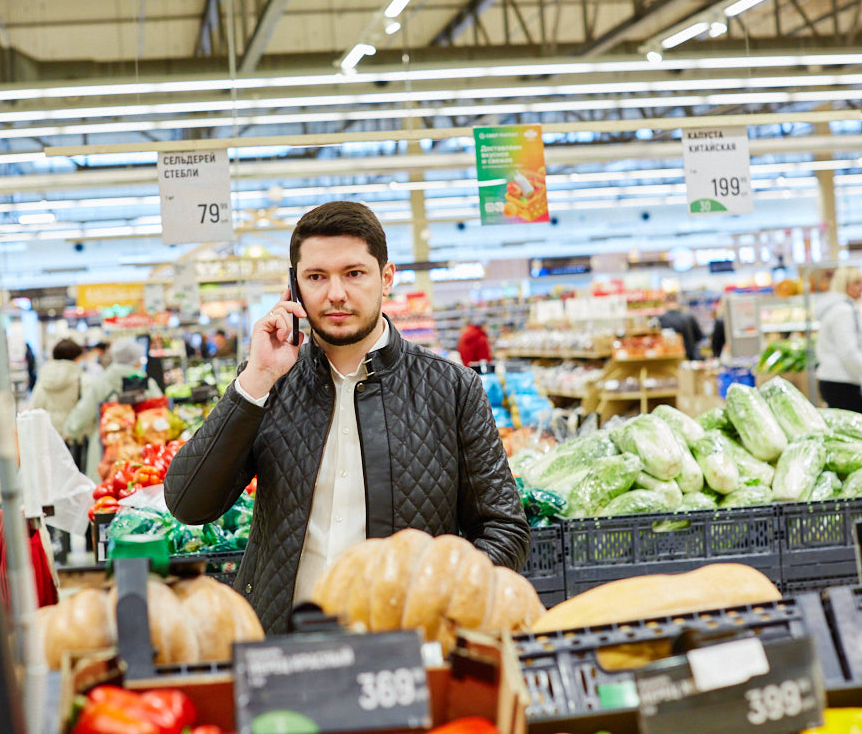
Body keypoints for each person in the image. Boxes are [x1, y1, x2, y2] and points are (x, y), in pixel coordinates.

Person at [164, 201, 530, 634]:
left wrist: (439, 602)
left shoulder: (452, 389)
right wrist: (257, 378)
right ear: (294, 288)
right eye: (316, 277)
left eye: (354, 273)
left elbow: (505, 528)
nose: (335, 293)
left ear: (386, 278)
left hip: (401, 651)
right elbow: (189, 503)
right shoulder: (271, 383)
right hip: (282, 647)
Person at [63, 337, 161, 481]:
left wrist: (70, 431)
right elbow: (161, 412)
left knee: (107, 496)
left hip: (106, 450)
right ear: (136, 359)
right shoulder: (146, 382)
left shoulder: (102, 382)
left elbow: (83, 414)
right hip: (141, 450)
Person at [815, 267, 862, 413]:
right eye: (856, 283)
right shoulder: (843, 311)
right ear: (844, 285)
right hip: (841, 383)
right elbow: (848, 352)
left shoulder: (839, 309)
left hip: (836, 381)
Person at [30, 338, 86, 448]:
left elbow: (36, 405)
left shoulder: (44, 377)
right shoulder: (81, 379)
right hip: (72, 436)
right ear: (76, 358)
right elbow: (85, 409)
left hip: (48, 434)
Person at [658, 293, 704, 361]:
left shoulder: (660, 319)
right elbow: (699, 337)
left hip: (669, 358)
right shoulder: (689, 317)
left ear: (665, 303)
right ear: (678, 302)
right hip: (690, 356)